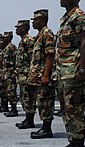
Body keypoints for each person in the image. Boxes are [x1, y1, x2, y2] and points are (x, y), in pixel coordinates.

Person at [56, 0, 85, 146]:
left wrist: (82, 69)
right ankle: (73, 139)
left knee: (74, 108)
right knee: (66, 109)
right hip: (63, 71)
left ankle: (78, 142)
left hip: (73, 71)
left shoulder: (80, 18)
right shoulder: (67, 18)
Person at [28, 9, 55, 139]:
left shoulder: (47, 34)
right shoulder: (39, 35)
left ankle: (46, 129)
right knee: (41, 102)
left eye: (35, 20)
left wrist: (45, 75)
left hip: (43, 76)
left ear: (42, 20)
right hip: (37, 76)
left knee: (46, 102)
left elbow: (50, 55)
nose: (33, 22)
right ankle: (45, 128)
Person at [14, 20, 35, 129]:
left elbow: (32, 58)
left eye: (19, 27)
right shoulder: (23, 41)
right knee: (24, 97)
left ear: (25, 28)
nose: (16, 29)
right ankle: (28, 118)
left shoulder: (28, 40)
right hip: (22, 75)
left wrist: (31, 74)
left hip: (27, 75)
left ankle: (30, 120)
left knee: (28, 97)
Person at [0, 31, 18, 117]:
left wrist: (15, 71)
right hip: (5, 73)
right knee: (7, 91)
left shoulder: (12, 47)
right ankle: (9, 108)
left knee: (11, 91)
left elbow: (16, 60)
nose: (3, 39)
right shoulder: (5, 48)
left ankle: (14, 109)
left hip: (11, 73)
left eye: (5, 37)